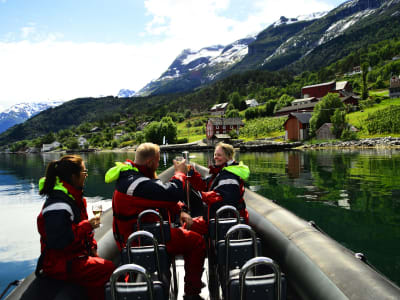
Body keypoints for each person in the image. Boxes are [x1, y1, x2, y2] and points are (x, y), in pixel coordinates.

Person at [105, 142, 206, 300]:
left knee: (193, 228)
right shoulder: (137, 184)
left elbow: (158, 199)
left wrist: (180, 210)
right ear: (151, 162)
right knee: (197, 242)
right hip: (145, 239)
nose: (158, 165)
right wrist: (179, 173)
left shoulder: (132, 177)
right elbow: (172, 193)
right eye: (158, 161)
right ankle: (192, 293)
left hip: (144, 233)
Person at [36, 155, 115, 300]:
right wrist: (87, 226)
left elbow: (77, 234)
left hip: (72, 258)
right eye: (84, 173)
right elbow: (59, 241)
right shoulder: (58, 205)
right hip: (59, 265)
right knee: (108, 269)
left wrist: (92, 247)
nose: (86, 176)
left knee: (104, 267)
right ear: (74, 177)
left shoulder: (72, 198)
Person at [188, 142, 250, 232]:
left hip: (226, 221)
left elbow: (224, 197)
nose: (215, 157)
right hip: (215, 218)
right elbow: (205, 185)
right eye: (215, 154)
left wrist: (202, 195)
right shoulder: (220, 171)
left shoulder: (230, 175)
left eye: (219, 155)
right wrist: (192, 174)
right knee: (187, 223)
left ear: (229, 157)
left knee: (187, 225)